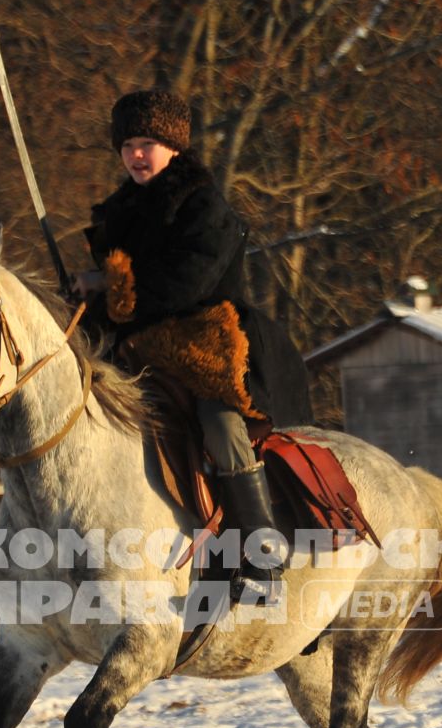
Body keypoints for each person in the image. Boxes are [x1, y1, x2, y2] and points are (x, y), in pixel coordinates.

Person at [74, 89, 313, 586]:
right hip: (137, 349)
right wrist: (80, 296)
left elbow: (183, 284)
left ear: (173, 146)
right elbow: (115, 297)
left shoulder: (205, 206)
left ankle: (262, 553)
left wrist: (112, 284)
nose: (136, 155)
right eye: (127, 146)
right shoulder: (117, 212)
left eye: (147, 143)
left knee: (220, 426)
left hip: (209, 343)